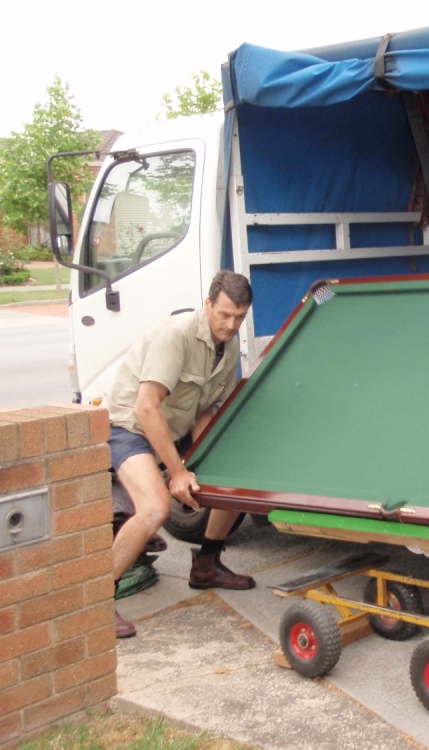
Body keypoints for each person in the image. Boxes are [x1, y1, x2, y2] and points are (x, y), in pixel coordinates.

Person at [106, 270, 256, 638]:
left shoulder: (229, 344)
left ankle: (206, 565)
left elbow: (203, 410)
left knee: (231, 477)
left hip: (175, 427)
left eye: (239, 316)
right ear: (208, 304)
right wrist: (177, 470)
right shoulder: (177, 335)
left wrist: (208, 460)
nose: (231, 324)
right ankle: (95, 601)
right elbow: (146, 407)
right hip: (132, 428)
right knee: (156, 508)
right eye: (224, 314)